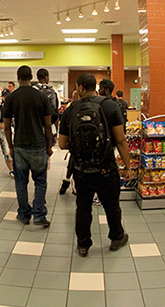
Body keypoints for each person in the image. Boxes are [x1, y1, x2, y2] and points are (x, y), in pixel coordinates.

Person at [59, 73, 130, 257]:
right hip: (106, 167)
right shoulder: (110, 106)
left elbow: (61, 144)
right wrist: (128, 167)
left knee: (83, 208)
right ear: (95, 87)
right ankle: (116, 237)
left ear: (81, 88)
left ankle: (83, 245)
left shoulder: (70, 110)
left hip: (81, 169)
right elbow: (121, 140)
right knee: (112, 205)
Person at [3, 65, 53, 228]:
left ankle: (23, 214)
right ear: (31, 77)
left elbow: (7, 126)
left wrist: (10, 146)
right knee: (40, 181)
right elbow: (47, 124)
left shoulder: (11, 98)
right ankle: (39, 215)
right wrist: (49, 145)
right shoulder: (41, 97)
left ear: (18, 77)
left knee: (21, 181)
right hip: (38, 144)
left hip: (19, 146)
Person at [59, 89, 82, 196]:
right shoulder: (86, 108)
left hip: (73, 142)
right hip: (85, 143)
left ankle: (67, 180)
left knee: (72, 162)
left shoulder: (69, 109)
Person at [0, 89, 15, 178]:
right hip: (3, 130)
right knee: (6, 150)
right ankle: (11, 169)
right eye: (4, 96)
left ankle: (15, 168)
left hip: (13, 130)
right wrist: (5, 127)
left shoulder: (14, 106)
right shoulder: (0, 108)